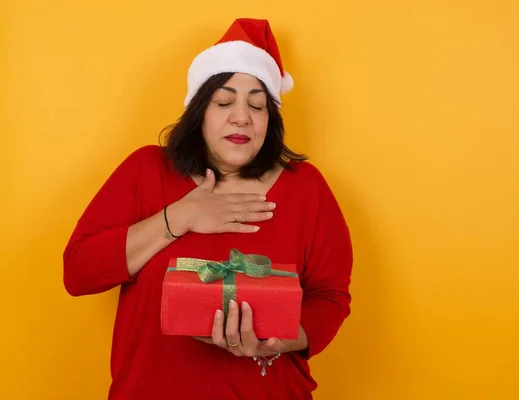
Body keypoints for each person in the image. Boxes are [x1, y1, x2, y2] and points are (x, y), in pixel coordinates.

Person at [63, 18, 353, 400]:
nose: (241, 117)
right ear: (199, 110)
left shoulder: (307, 188)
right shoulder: (146, 170)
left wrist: (276, 342)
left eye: (257, 105)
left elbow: (331, 298)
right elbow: (79, 272)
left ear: (271, 119)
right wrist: (178, 217)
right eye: (224, 101)